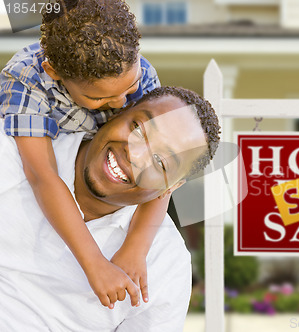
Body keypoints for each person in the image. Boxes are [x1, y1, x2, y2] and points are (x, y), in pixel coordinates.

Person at [0, 86, 220, 331]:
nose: (135, 155)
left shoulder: (165, 263)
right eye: (138, 129)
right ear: (118, 112)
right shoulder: (13, 150)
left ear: (171, 188)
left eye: (160, 162)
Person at [0, 0, 172, 308]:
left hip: (107, 188)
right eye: (98, 97)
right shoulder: (26, 78)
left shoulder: (142, 73)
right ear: (54, 71)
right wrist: (94, 263)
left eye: (128, 88)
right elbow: (42, 175)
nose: (121, 103)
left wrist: (136, 247)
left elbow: (164, 175)